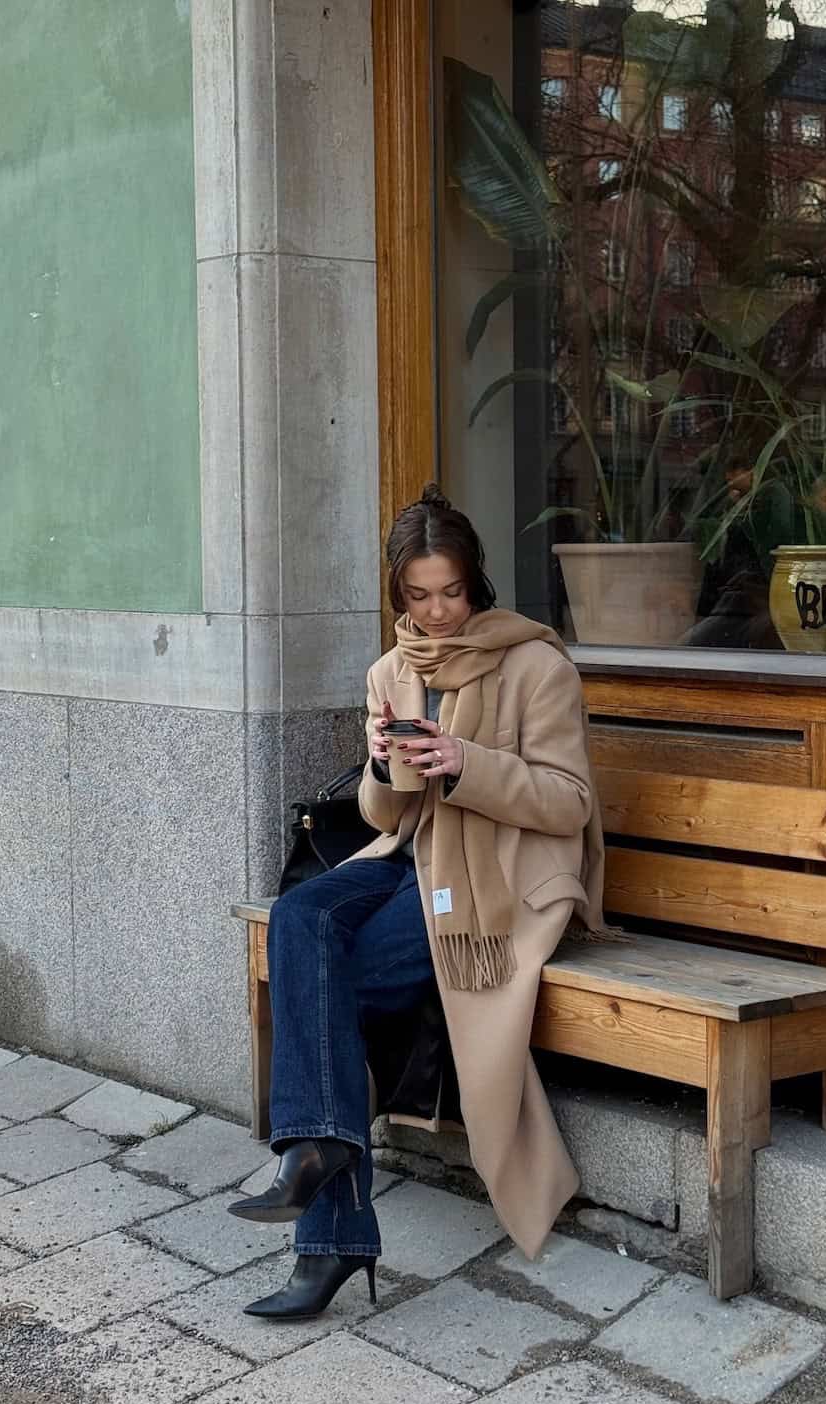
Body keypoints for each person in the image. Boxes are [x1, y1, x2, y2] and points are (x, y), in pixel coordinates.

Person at [227, 484, 606, 1320]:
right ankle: (320, 1154)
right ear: (399, 593)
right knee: (300, 916)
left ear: (478, 585)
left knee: (323, 986)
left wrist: (465, 761)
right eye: (418, 595)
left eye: (451, 592)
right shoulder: (390, 671)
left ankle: (324, 1223)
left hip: (500, 877)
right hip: (414, 859)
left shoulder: (536, 664)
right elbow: (385, 817)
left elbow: (570, 802)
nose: (436, 613)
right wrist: (381, 767)